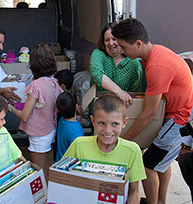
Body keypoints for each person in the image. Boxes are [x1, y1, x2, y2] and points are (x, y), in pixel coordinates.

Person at [112, 18, 193, 204]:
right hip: (176, 113)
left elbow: (149, 114)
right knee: (162, 165)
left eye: (124, 47)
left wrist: (124, 140)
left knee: (148, 165)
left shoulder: (156, 66)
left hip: (178, 120)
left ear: (138, 43)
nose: (122, 52)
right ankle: (160, 201)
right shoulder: (154, 54)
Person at [64, 94, 146, 204]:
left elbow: (134, 191)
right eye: (102, 123)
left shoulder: (132, 150)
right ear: (93, 121)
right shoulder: (79, 145)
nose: (108, 131)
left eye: (115, 124)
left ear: (124, 123)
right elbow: (63, 179)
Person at [9, 44, 63, 180]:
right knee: (45, 166)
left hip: (39, 134)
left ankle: (42, 198)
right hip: (50, 129)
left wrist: (9, 107)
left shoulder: (36, 86)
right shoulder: (54, 82)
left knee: (38, 171)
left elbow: (25, 116)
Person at [90, 22, 142, 107]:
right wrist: (119, 92)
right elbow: (97, 75)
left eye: (114, 39)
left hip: (121, 110)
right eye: (107, 40)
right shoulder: (98, 54)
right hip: (98, 108)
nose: (111, 43)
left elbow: (134, 92)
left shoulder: (134, 62)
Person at [55, 92, 84, 162]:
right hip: (68, 165)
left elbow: (72, 123)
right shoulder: (77, 131)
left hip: (60, 160)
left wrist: (80, 116)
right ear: (76, 107)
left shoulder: (62, 120)